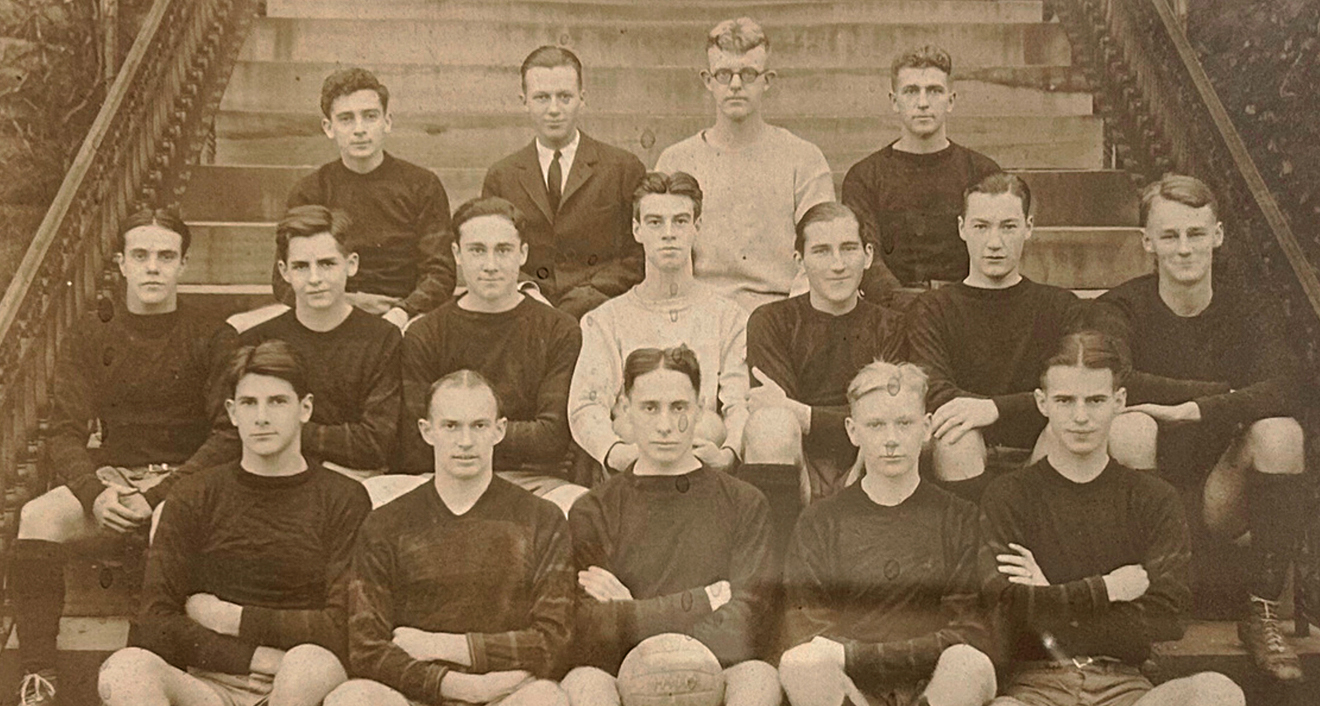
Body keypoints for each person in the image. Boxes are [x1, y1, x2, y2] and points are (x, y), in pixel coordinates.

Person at [1092, 174, 1307, 682]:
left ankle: (1262, 610)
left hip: (1222, 495)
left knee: (1282, 434)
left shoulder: (1249, 306)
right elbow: (1112, 378)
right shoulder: (1121, 305)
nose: (1184, 248)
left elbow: (1288, 387)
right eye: (1169, 236)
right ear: (1147, 241)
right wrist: (1228, 394)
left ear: (1218, 235)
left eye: (1195, 233)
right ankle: (1146, 605)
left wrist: (1197, 409)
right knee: (1129, 427)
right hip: (1142, 496)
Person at [9, 210, 223, 706]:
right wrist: (95, 493)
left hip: (186, 482)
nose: (153, 267)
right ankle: (38, 676)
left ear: (184, 264)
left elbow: (226, 436)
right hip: (114, 478)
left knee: (168, 522)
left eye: (166, 256)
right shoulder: (90, 335)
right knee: (37, 516)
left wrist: (159, 493)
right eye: (140, 255)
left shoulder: (211, 335)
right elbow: (64, 432)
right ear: (122, 263)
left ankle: (144, 671)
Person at [98, 340, 373, 706]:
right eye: (249, 403)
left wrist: (230, 618)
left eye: (278, 401)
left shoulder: (344, 497)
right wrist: (257, 658)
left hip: (304, 684)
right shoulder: (194, 494)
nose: (262, 417)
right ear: (232, 412)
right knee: (125, 669)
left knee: (308, 664)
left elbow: (343, 625)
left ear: (305, 408)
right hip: (212, 684)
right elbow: (154, 621)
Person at [981, 332, 1245, 706]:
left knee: (1218, 692)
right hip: (1036, 685)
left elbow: (1168, 617)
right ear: (1042, 403)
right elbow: (1004, 613)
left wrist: (1046, 595)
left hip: (1123, 685)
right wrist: (1108, 590)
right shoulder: (1009, 496)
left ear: (1119, 402)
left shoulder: (1154, 498)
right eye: (1065, 400)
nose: (1081, 417)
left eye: (1096, 400)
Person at [325, 371, 574, 706]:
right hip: (414, 695)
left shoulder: (542, 519)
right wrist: (455, 685)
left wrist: (446, 647)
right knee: (353, 698)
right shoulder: (385, 524)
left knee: (545, 699)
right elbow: (366, 646)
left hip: (506, 692)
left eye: (479, 425)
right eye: (451, 426)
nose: (465, 441)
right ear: (427, 431)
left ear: (499, 430)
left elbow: (555, 640)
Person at [905, 172, 1151, 503]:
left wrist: (995, 408)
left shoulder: (1060, 306)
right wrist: (1002, 411)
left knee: (1066, 424)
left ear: (1029, 227)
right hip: (970, 447)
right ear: (962, 228)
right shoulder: (933, 308)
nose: (994, 242)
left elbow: (1077, 385)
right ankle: (977, 534)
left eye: (1008, 226)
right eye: (981, 226)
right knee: (954, 436)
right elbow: (933, 388)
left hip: (1044, 444)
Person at [562, 346, 780, 706]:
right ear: (625, 409)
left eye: (678, 407)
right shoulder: (593, 509)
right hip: (624, 674)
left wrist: (630, 612)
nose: (665, 425)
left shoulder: (744, 502)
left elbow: (746, 623)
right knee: (583, 682)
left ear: (700, 408)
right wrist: (702, 601)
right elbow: (590, 629)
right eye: (650, 407)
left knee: (759, 678)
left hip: (716, 670)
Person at [778, 360, 996, 706]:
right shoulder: (820, 521)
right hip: (853, 690)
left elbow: (970, 630)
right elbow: (809, 630)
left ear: (926, 427)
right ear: (853, 431)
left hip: (934, 686)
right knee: (800, 662)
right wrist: (853, 664)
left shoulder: (960, 518)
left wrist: (855, 656)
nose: (891, 440)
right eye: (876, 425)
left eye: (904, 423)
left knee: (970, 663)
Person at [381, 197, 586, 514]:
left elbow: (550, 438)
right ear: (456, 254)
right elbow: (417, 439)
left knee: (577, 506)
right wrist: (503, 433)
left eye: (503, 250)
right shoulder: (425, 333)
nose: (491, 265)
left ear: (523, 254)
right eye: (477, 250)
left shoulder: (559, 329)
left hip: (530, 483)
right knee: (375, 496)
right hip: (443, 480)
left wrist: (456, 430)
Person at [190, 205, 403, 480]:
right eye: (301, 266)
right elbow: (236, 433)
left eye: (327, 264)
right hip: (277, 480)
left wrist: (283, 429)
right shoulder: (257, 341)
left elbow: (374, 444)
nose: (315, 279)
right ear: (284, 271)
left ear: (351, 265)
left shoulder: (382, 338)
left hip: (356, 484)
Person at [569, 171, 748, 478]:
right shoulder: (605, 320)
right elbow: (586, 405)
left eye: (680, 221)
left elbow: (739, 402)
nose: (668, 233)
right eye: (655, 222)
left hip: (704, 471)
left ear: (697, 227)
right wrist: (616, 452)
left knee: (707, 425)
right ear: (637, 229)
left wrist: (728, 453)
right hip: (632, 471)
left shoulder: (729, 317)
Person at [654, 16, 834, 312]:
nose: (735, 85)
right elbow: (661, 256)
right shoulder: (676, 161)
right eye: (724, 74)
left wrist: (789, 320)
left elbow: (821, 251)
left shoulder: (804, 159)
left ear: (767, 81)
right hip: (698, 313)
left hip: (780, 312)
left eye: (748, 74)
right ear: (708, 81)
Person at [744, 202, 904, 520]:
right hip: (797, 461)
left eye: (848, 248)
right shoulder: (771, 321)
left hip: (866, 461)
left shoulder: (891, 325)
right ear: (800, 261)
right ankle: (781, 544)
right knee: (771, 425)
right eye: (821, 251)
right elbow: (779, 413)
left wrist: (804, 415)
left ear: (868, 255)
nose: (838, 265)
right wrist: (802, 417)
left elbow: (887, 415)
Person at [272, 67, 455, 329]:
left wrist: (403, 312)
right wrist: (347, 304)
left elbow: (440, 273)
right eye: (346, 119)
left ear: (387, 122)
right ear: (329, 127)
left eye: (370, 116)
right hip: (329, 313)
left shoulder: (422, 185)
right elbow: (284, 281)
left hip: (404, 316)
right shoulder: (310, 191)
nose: (359, 130)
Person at [482, 46, 648, 318]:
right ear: (524, 101)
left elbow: (639, 255)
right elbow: (493, 252)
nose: (554, 109)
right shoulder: (502, 176)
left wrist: (590, 294)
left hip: (604, 309)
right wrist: (529, 292)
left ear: (582, 98)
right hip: (527, 311)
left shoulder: (622, 168)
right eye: (542, 98)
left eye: (565, 97)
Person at [842, 45, 1001, 304]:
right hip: (890, 311)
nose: (923, 103)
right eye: (911, 91)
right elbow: (867, 260)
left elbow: (993, 250)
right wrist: (909, 307)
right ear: (894, 101)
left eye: (935, 91)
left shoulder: (982, 173)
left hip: (965, 308)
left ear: (951, 100)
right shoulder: (865, 177)